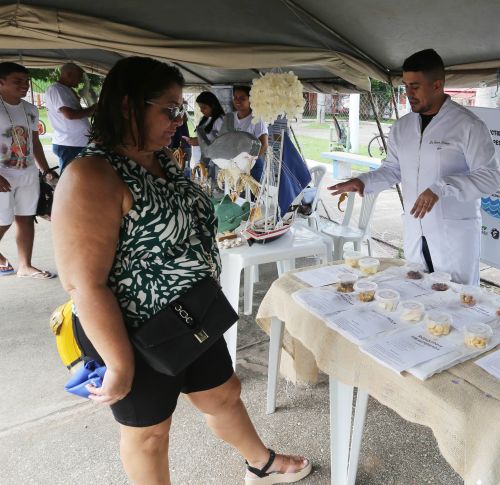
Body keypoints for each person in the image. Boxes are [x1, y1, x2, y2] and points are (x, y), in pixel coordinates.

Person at [51, 56, 311, 484]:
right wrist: (117, 363)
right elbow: (83, 282)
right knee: (150, 434)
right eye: (168, 110)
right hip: (133, 332)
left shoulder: (160, 158)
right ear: (126, 106)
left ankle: (260, 464)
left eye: (181, 109)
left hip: (191, 313)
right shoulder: (91, 174)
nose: (179, 120)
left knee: (224, 395)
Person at [329, 49, 500, 285]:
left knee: (454, 301)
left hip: (452, 235)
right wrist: (363, 181)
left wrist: (441, 187)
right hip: (415, 231)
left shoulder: (468, 126)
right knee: (415, 294)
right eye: (406, 85)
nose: (408, 93)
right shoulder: (402, 127)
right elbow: (392, 169)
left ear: (437, 85)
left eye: (416, 86)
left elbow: (489, 178)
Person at [0, 61, 56, 279]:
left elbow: (35, 142)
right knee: (3, 220)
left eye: (26, 81)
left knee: (25, 217)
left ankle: (25, 266)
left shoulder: (30, 109)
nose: (24, 85)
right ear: (1, 82)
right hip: (3, 175)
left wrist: (45, 170)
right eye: (17, 81)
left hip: (28, 174)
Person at [44, 62, 95, 170]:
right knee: (70, 178)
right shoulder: (57, 89)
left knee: (78, 175)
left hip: (75, 143)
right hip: (69, 144)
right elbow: (70, 115)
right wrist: (93, 108)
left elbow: (77, 114)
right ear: (69, 74)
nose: (80, 80)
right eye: (79, 76)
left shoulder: (66, 89)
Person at [222, 85, 268, 181]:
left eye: (242, 98)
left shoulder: (257, 119)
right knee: (235, 193)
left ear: (250, 100)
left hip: (252, 166)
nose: (238, 101)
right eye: (236, 98)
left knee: (250, 195)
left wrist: (249, 162)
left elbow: (264, 145)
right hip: (234, 164)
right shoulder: (230, 117)